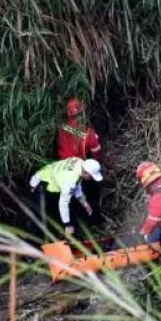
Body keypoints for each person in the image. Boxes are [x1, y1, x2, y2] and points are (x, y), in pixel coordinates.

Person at [57, 97, 103, 225]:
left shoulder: (61, 127)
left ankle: (71, 226)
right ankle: (94, 220)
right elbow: (96, 151)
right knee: (92, 190)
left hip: (63, 167)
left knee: (69, 199)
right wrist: (96, 164)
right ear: (82, 114)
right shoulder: (87, 133)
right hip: (78, 167)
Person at [29, 157, 103, 237]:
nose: (91, 178)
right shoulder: (70, 180)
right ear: (86, 173)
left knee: (66, 212)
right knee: (37, 216)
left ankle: (65, 235)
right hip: (42, 184)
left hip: (50, 177)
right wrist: (67, 224)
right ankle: (34, 239)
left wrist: (84, 202)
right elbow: (63, 203)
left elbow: (77, 185)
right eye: (91, 176)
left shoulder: (80, 162)